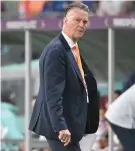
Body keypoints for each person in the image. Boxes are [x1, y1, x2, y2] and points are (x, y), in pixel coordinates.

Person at [29, 2, 99, 151]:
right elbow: (53, 93)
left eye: (85, 22)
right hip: (61, 129)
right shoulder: (56, 51)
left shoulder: (71, 48)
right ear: (65, 21)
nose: (82, 25)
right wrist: (61, 127)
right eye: (77, 20)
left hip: (71, 124)